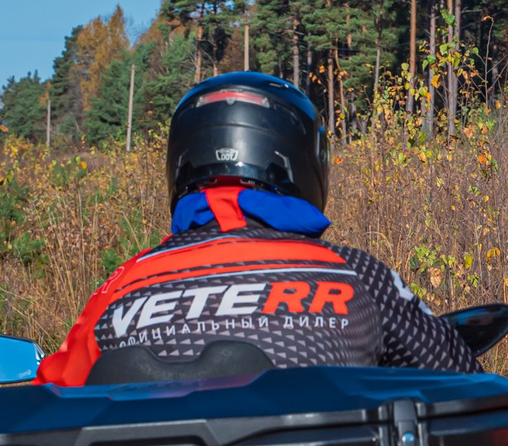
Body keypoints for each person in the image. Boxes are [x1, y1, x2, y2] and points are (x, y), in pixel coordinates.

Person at [37, 72, 479, 385]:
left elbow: (53, 397)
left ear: (181, 162)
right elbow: (463, 381)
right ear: (304, 160)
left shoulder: (119, 286)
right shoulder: (354, 274)